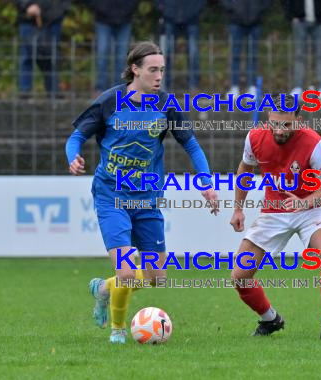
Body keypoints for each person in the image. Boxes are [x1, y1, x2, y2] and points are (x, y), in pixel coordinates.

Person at [65, 41, 219, 343]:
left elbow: (191, 144)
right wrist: (73, 156)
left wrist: (206, 182)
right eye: (153, 70)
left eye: (161, 69)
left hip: (147, 199)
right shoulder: (110, 102)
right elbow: (77, 136)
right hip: (112, 196)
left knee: (156, 278)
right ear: (134, 69)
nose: (159, 76)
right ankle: (118, 329)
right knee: (126, 272)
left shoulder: (166, 104)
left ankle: (103, 288)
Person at [229, 94, 321, 341]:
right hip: (274, 210)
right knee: (239, 276)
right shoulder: (255, 137)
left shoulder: (314, 143)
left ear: (298, 120)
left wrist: (305, 201)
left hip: (310, 208)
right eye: (274, 123)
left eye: (286, 125)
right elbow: (246, 169)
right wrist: (238, 208)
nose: (279, 130)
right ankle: (270, 319)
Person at [15, 0, 70, 99]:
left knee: (52, 57)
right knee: (27, 56)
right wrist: (27, 5)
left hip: (54, 18)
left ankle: (53, 91)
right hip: (28, 18)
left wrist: (61, 10)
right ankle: (25, 93)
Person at [85, 0, 141, 94]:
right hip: (102, 19)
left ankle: (119, 91)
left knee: (122, 58)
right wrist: (100, 7)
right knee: (102, 56)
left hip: (125, 19)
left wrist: (128, 9)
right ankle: (100, 90)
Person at [221, 0, 271, 99]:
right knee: (235, 56)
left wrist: (258, 11)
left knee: (253, 56)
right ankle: (234, 87)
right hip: (235, 21)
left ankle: (252, 87)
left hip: (255, 22)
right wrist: (233, 9)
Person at [282, 0, 321, 99]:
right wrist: (290, 15)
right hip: (299, 20)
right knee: (299, 55)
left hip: (319, 20)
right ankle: (298, 87)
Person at [155, 0, 206, 92]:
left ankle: (193, 86)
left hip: (192, 18)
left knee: (193, 53)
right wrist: (163, 8)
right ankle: (165, 86)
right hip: (169, 17)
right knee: (167, 52)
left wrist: (195, 10)